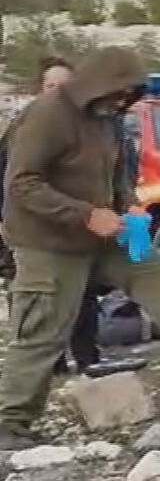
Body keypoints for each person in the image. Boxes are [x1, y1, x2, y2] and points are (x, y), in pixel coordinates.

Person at [0, 47, 160, 449]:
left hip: (107, 234)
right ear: (97, 84)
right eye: (119, 93)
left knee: (158, 275)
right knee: (41, 329)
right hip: (48, 242)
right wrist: (85, 214)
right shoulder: (48, 115)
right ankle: (11, 423)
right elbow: (22, 182)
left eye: (130, 95)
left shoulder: (110, 120)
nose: (123, 102)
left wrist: (127, 206)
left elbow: (117, 174)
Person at [4, 58, 107, 375]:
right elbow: (8, 179)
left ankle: (87, 357)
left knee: (83, 293)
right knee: (34, 298)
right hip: (30, 228)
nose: (59, 94)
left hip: (75, 226)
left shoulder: (88, 128)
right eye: (52, 86)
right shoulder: (23, 128)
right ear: (40, 89)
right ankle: (47, 365)